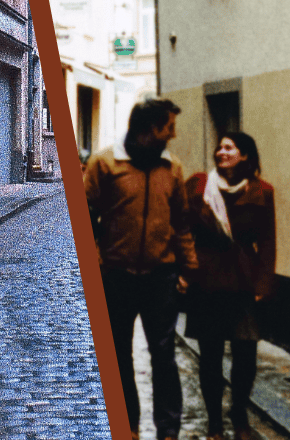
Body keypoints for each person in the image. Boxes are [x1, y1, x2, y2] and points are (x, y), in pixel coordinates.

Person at [85, 98, 197, 440]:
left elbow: (182, 222)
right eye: (169, 128)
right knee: (119, 356)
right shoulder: (106, 163)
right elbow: (87, 215)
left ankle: (168, 430)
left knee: (164, 355)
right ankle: (128, 426)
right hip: (116, 275)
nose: (173, 135)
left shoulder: (172, 168)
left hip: (160, 276)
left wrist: (188, 268)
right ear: (150, 129)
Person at [185, 133, 276, 440]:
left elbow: (267, 240)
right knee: (209, 355)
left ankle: (239, 413)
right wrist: (184, 269)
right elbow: (181, 228)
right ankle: (214, 422)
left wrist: (264, 282)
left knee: (246, 353)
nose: (220, 152)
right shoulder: (198, 185)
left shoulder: (262, 191)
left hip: (243, 279)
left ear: (245, 155)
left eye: (229, 147)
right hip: (207, 279)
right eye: (220, 147)